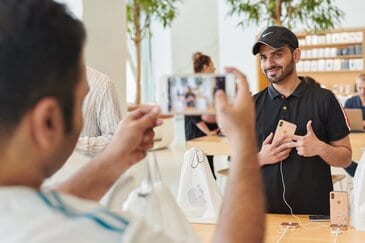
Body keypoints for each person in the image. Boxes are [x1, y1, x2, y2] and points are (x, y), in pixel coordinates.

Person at [0, 1, 264, 242]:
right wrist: (243, 142)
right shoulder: (109, 234)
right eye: (81, 101)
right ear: (48, 122)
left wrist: (113, 158)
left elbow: (46, 208)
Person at [252, 26, 352, 215]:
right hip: (264, 216)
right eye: (263, 58)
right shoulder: (250, 106)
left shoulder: (325, 99)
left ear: (296, 55)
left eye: (277, 55)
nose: (269, 63)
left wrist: (320, 148)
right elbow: (237, 167)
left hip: (316, 215)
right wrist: (260, 158)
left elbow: (346, 158)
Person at [185, 52, 219, 179]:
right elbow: (194, 115)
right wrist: (208, 132)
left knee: (208, 170)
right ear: (206, 67)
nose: (215, 68)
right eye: (212, 65)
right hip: (197, 134)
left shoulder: (205, 85)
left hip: (207, 133)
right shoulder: (194, 86)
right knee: (202, 172)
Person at [76, 66, 122, 157]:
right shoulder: (41, 80)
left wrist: (70, 146)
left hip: (85, 170)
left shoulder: (102, 85)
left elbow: (115, 141)